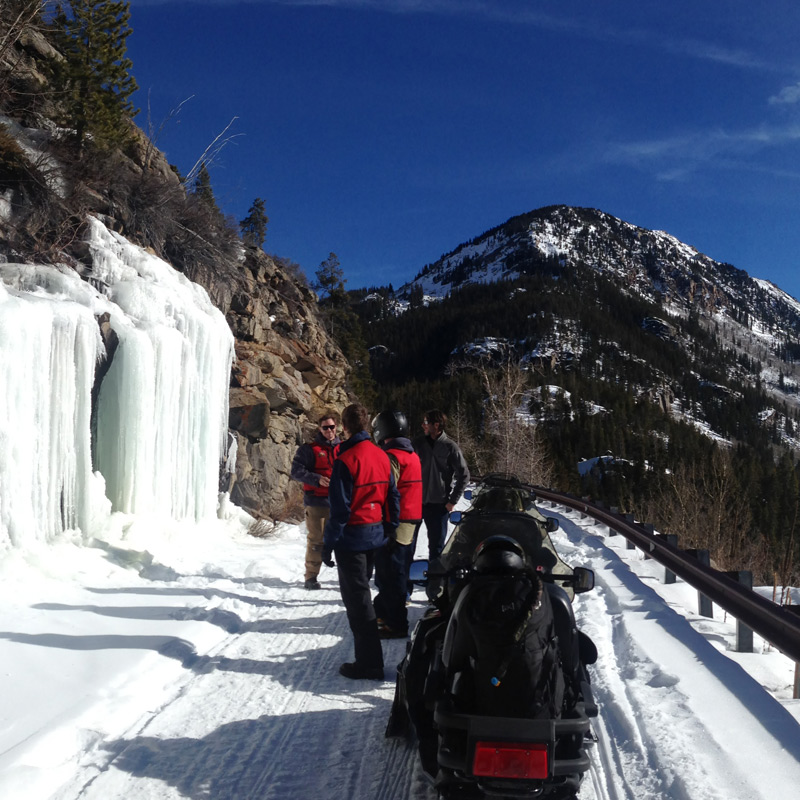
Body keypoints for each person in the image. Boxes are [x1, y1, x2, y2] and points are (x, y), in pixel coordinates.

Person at [322, 403, 400, 680]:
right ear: (366, 425)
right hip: (375, 535)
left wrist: (328, 542)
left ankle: (369, 663)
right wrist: (390, 529)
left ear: (344, 427)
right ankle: (369, 660)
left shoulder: (345, 460)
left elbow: (340, 509)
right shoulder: (381, 456)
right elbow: (393, 496)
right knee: (363, 594)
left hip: (352, 539)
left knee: (358, 603)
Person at [371, 410, 422, 639]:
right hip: (410, 520)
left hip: (395, 521)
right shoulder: (411, 453)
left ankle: (395, 622)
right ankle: (384, 614)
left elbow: (385, 490)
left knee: (391, 573)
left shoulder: (392, 456)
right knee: (398, 570)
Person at [290, 410, 341, 590]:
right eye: (325, 427)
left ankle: (346, 576)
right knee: (316, 540)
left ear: (337, 427)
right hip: (317, 503)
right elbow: (296, 471)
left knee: (343, 541)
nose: (329, 430)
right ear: (320, 428)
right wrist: (316, 479)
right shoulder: (308, 450)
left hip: (340, 503)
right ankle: (311, 576)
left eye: (331, 427)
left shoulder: (344, 449)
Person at [412, 408, 470, 561]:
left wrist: (452, 501)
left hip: (439, 506)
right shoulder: (416, 444)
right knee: (408, 545)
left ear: (436, 425)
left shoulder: (450, 447)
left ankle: (434, 582)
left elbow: (464, 475)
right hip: (416, 503)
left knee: (437, 549)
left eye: (426, 422)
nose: (423, 425)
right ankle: (406, 581)